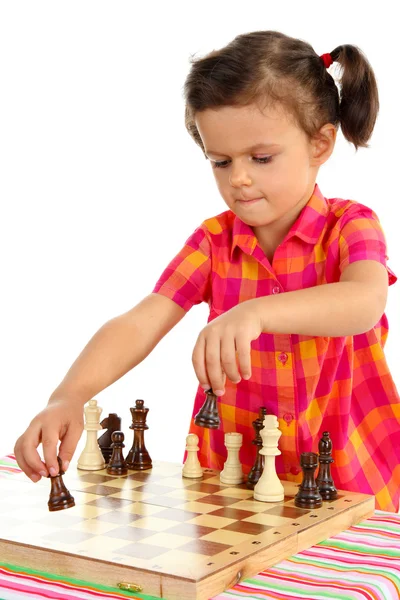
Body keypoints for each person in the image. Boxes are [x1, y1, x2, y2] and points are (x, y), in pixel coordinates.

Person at [14, 30, 400, 512]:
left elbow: (364, 303)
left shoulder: (350, 225)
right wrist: (67, 395)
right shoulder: (214, 242)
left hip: (343, 470)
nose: (238, 178)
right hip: (232, 475)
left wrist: (256, 312)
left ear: (320, 143)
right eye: (220, 161)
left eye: (261, 158)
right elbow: (141, 321)